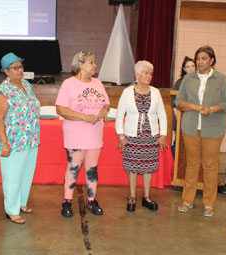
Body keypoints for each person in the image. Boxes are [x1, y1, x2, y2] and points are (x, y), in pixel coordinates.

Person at [174, 46, 226, 217]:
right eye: (198, 58)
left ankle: (209, 203)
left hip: (213, 129)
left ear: (212, 60)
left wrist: (212, 109)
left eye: (204, 58)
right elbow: (179, 101)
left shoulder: (221, 79)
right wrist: (193, 107)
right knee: (191, 164)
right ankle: (187, 200)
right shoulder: (188, 79)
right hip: (191, 127)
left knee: (210, 166)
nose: (200, 62)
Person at [55, 51, 110, 217]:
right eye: (91, 62)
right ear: (80, 64)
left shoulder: (98, 82)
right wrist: (84, 117)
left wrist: (103, 111)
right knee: (73, 168)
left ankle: (92, 201)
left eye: (94, 62)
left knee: (92, 169)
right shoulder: (68, 84)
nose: (95, 66)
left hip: (95, 134)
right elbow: (61, 109)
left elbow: (106, 104)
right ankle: (67, 201)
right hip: (76, 134)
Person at [0, 52, 40, 224]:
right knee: (13, 177)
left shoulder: (26, 84)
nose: (20, 70)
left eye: (21, 66)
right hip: (13, 143)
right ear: (6, 71)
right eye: (15, 68)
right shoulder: (4, 92)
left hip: (31, 139)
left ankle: (22, 203)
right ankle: (11, 209)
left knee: (26, 174)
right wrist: (4, 144)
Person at [115, 60, 167, 212]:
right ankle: (132, 195)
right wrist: (121, 136)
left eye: (150, 73)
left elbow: (162, 116)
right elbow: (119, 115)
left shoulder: (156, 92)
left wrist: (163, 134)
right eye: (145, 72)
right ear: (137, 74)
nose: (149, 76)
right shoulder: (127, 92)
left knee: (148, 168)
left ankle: (146, 196)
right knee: (132, 167)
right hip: (131, 135)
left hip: (150, 136)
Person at [171, 57, 195, 155]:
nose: (191, 69)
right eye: (188, 67)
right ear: (184, 69)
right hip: (180, 118)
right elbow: (174, 102)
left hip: (193, 119)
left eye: (193, 66)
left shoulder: (199, 82)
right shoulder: (180, 83)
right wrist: (178, 116)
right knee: (177, 145)